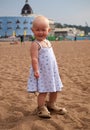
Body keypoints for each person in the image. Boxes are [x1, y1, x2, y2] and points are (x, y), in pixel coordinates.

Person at [27, 15, 67, 118]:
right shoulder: (35, 44)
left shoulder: (48, 42)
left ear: (48, 30)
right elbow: (34, 59)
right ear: (33, 30)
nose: (40, 32)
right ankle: (41, 108)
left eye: (43, 30)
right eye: (37, 30)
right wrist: (36, 70)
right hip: (42, 72)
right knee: (43, 91)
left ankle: (51, 104)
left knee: (54, 89)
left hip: (52, 72)